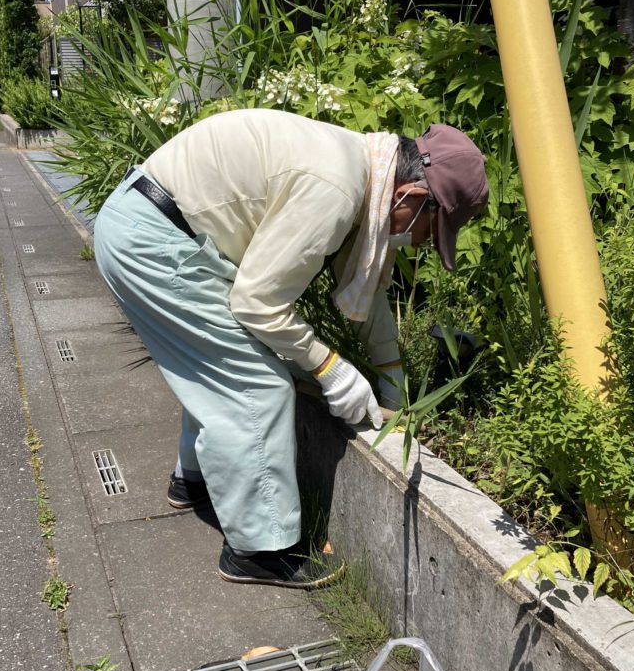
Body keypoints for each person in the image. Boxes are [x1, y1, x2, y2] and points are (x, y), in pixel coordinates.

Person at [93, 108, 488, 589]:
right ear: (413, 196)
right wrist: (330, 368)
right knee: (258, 384)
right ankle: (259, 550)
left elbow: (364, 286)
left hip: (148, 227)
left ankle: (191, 481)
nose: (419, 243)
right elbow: (256, 303)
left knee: (217, 365)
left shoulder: (361, 167)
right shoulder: (337, 189)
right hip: (152, 243)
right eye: (430, 230)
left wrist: (391, 378)